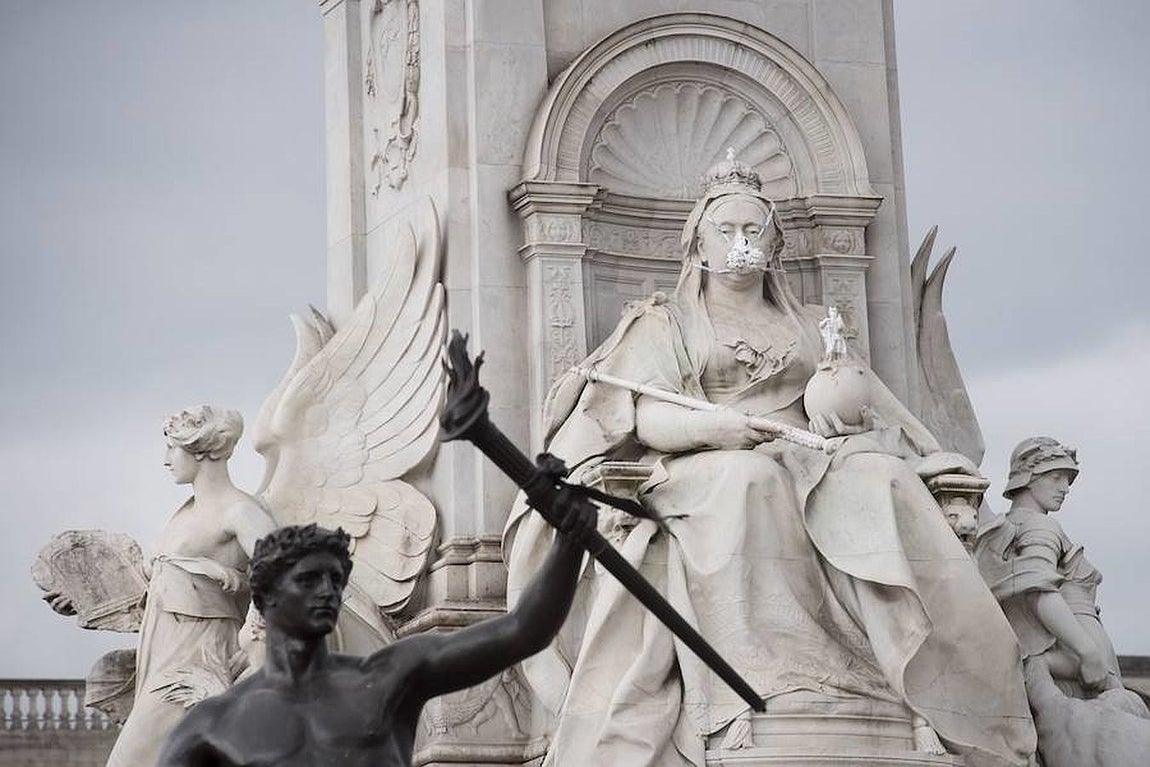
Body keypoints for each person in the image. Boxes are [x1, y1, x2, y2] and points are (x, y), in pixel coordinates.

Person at [504, 154, 1036, 767]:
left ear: (774, 242)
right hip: (699, 462)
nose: (740, 243)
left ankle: (894, 679)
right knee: (749, 481)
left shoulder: (813, 326)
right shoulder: (666, 320)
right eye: (726, 232)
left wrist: (911, 445)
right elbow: (644, 417)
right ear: (698, 243)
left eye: (752, 231)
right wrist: (717, 428)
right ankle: (774, 682)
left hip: (810, 456)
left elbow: (876, 410)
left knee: (882, 477)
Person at [157, 502, 596, 766]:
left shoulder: (388, 676)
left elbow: (524, 630)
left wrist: (569, 541)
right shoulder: (209, 726)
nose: (328, 592)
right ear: (267, 593)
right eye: (310, 580)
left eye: (335, 580)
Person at [107, 405, 277, 767]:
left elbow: (285, 570)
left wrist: (253, 638)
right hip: (164, 650)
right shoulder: (187, 510)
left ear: (199, 450)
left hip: (200, 657)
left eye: (172, 447)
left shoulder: (239, 511)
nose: (166, 459)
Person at [976, 437, 1148, 706]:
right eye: (1056, 477)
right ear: (1028, 477)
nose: (1065, 488)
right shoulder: (1041, 527)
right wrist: (1087, 652)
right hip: (1078, 662)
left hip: (1077, 661)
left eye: (1068, 480)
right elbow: (1038, 590)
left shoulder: (1013, 526)